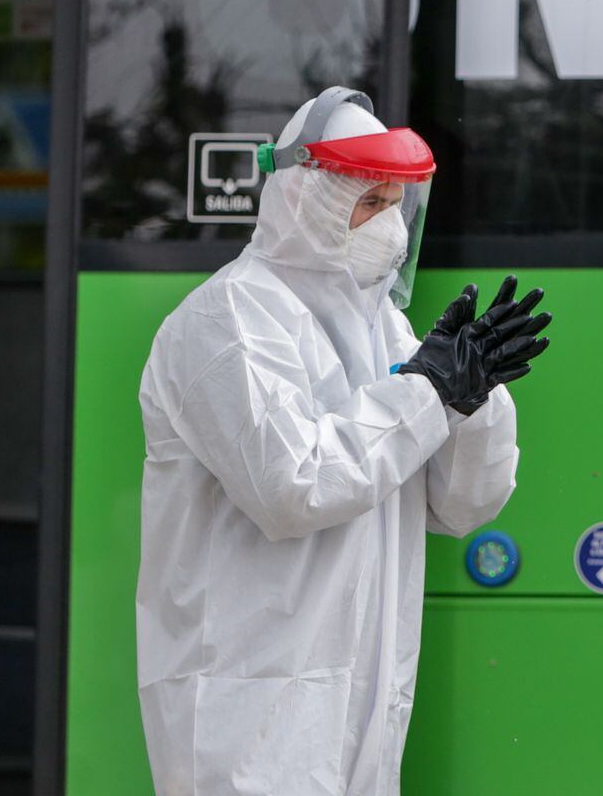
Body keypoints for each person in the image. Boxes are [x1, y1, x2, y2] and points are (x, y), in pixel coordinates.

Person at [136, 87, 550, 795]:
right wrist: (429, 391)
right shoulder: (227, 321)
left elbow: (461, 507)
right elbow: (294, 485)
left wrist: (474, 398)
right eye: (367, 203)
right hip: (249, 723)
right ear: (304, 198)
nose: (386, 228)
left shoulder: (385, 332)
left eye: (395, 205)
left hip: (357, 720)